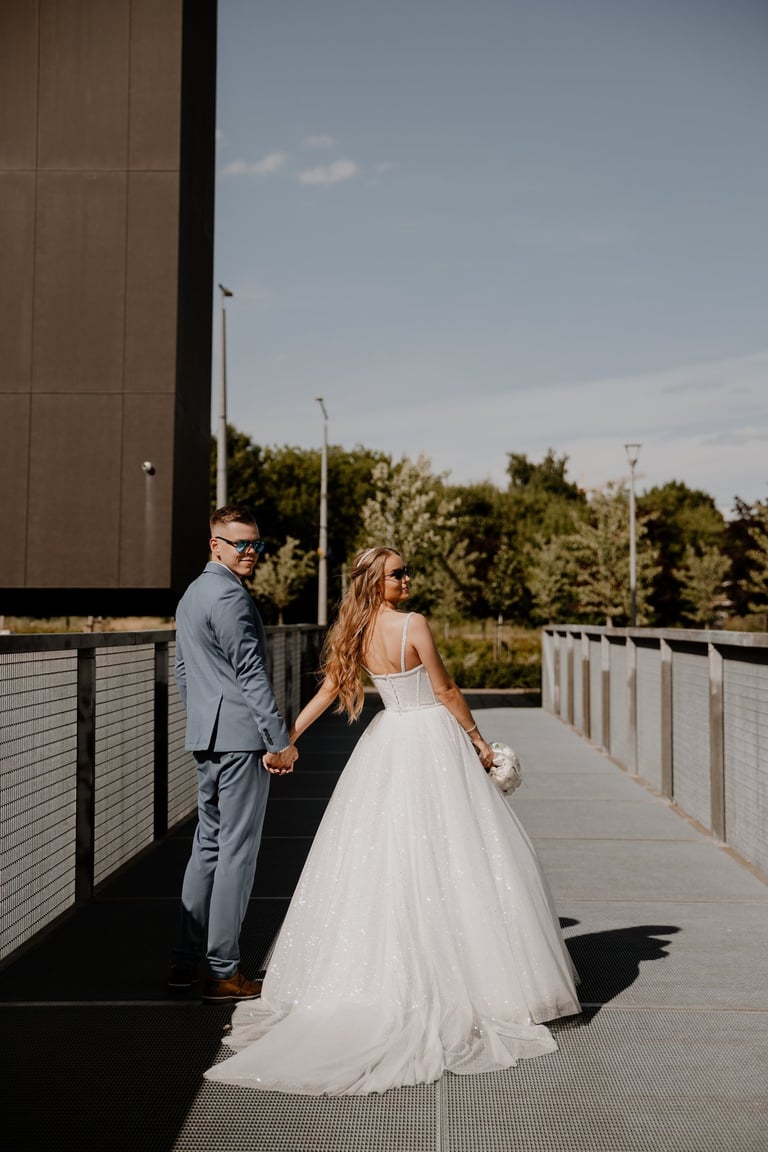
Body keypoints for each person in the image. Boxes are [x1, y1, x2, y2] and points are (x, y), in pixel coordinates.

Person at [204, 546, 580, 1093]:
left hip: (389, 739)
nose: (407, 579)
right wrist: (478, 740)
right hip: (429, 735)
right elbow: (445, 689)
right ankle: (462, 973)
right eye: (397, 574)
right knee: (454, 848)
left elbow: (329, 690)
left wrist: (287, 739)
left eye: (407, 571)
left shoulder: (355, 630)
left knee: (389, 851)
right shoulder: (413, 624)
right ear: (374, 582)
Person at [168, 505, 298, 1003]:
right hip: (242, 740)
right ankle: (223, 972)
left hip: (207, 737)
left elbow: (184, 671)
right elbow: (250, 673)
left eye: (256, 544)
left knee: (208, 845)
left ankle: (184, 961)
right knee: (236, 853)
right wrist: (278, 740)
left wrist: (203, 719)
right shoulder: (230, 596)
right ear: (215, 544)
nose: (251, 552)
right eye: (240, 543)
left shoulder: (191, 595)